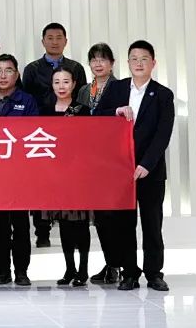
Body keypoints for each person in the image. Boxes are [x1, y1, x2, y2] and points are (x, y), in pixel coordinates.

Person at [96, 40, 175, 292]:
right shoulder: (116, 88)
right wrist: (115, 111)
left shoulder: (163, 95)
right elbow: (97, 117)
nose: (138, 63)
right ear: (128, 62)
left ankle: (154, 273)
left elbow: (163, 134)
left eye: (144, 59)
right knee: (124, 224)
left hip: (150, 171)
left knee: (152, 223)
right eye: (134, 59)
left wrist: (147, 164)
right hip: (121, 170)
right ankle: (129, 272)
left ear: (153, 63)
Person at [22, 23, 87, 247]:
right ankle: (42, 231)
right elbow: (27, 99)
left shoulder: (76, 68)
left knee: (71, 179)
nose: (54, 42)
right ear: (43, 41)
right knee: (42, 181)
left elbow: (82, 98)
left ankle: (72, 227)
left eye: (59, 37)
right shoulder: (32, 69)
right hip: (42, 130)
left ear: (65, 41)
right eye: (50, 38)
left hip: (71, 130)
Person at [41, 66, 93, 287]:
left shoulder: (83, 110)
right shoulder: (45, 110)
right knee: (63, 225)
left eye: (65, 82)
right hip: (54, 176)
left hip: (78, 175)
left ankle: (83, 269)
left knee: (80, 224)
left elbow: (88, 143)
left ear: (73, 84)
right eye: (57, 82)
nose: (61, 86)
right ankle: (69, 268)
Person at [0, 54, 37, 287]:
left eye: (8, 70)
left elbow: (34, 134)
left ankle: (21, 271)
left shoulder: (27, 101)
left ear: (16, 74)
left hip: (20, 174)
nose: (3, 75)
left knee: (20, 225)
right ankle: (2, 271)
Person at [78, 43, 120, 285]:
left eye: (103, 59)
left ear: (112, 63)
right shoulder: (84, 90)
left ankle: (118, 263)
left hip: (113, 159)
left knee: (114, 215)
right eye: (93, 59)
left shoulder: (121, 87)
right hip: (89, 159)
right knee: (99, 217)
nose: (98, 64)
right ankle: (110, 262)